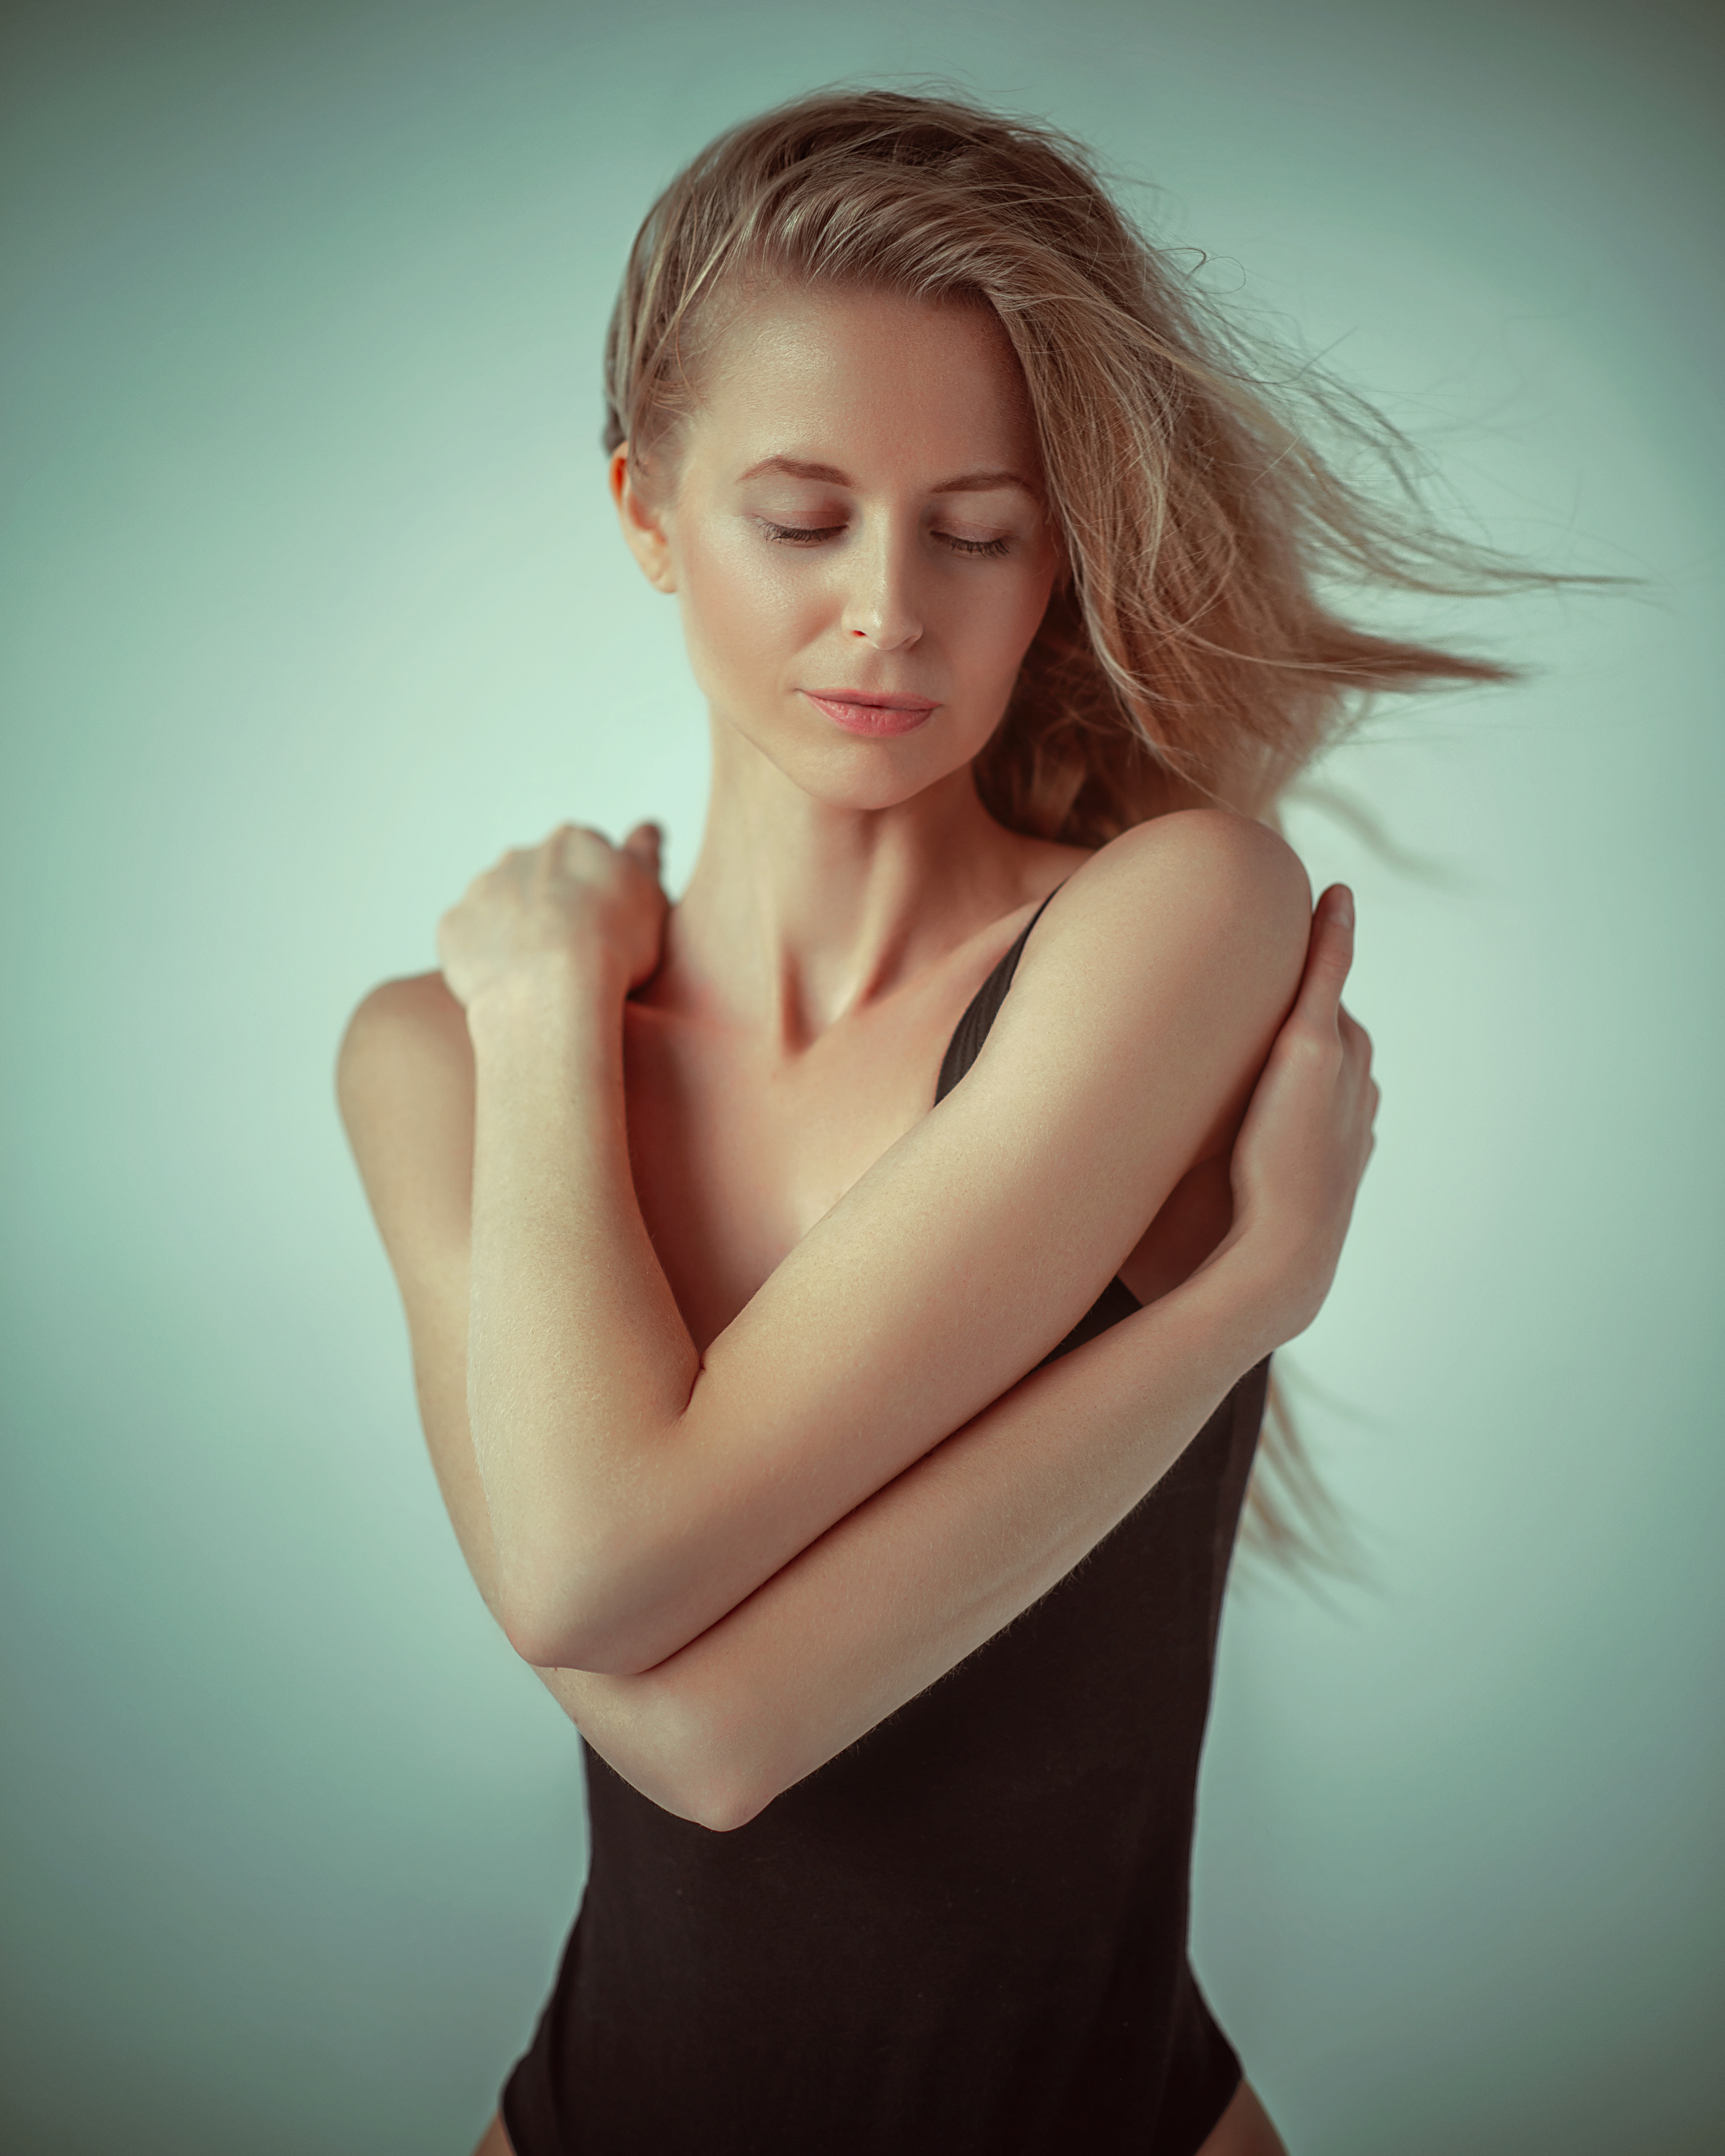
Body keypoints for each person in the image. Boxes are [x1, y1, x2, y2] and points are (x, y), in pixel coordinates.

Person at [336, 86, 1529, 2156]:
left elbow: (634, 1631)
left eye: (977, 528)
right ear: (642, 508)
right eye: (799, 517)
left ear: (1054, 551)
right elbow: (634, 1651)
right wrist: (543, 1015)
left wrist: (1234, 1301)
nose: (891, 605)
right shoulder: (433, 1054)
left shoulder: (1177, 916)